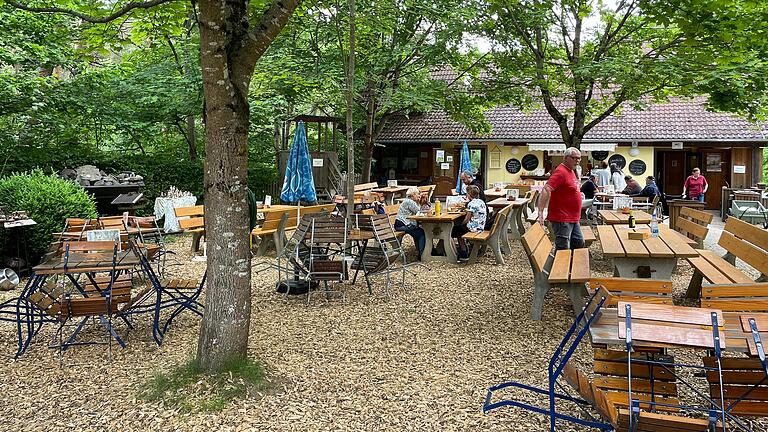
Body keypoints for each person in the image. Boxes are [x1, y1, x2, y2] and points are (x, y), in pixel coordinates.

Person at [538, 147, 584, 250]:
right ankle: (561, 266)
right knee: (563, 248)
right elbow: (546, 189)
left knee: (578, 242)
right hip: (562, 218)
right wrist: (541, 211)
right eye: (574, 158)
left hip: (572, 217)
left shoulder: (571, 171)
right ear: (566, 158)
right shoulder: (561, 172)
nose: (577, 161)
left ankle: (571, 264)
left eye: (579, 158)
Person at [451, 185, 487, 261]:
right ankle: (464, 249)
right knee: (459, 229)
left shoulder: (472, 204)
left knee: (455, 230)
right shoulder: (481, 202)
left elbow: (467, 219)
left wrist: (461, 223)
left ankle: (463, 252)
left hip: (473, 228)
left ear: (468, 194)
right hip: (480, 227)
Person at [394, 187, 426, 260]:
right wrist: (420, 202)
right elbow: (419, 212)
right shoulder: (409, 202)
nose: (419, 195)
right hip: (402, 225)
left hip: (402, 224)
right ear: (413, 195)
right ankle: (422, 255)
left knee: (419, 231)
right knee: (421, 233)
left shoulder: (408, 201)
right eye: (418, 194)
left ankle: (421, 251)